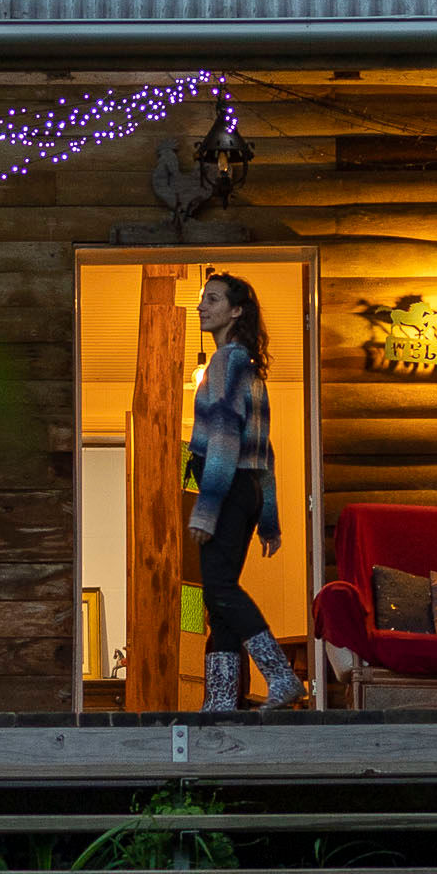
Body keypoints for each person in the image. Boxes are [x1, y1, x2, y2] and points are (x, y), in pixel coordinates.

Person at [184, 272, 310, 713]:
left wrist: (206, 509)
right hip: (247, 490)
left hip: (228, 488)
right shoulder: (249, 368)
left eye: (212, 300)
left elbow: (223, 437)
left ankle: (280, 675)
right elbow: (265, 451)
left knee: (218, 587)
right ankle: (220, 701)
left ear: (236, 311)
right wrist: (269, 517)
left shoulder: (224, 364)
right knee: (219, 599)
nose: (202, 307)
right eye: (203, 300)